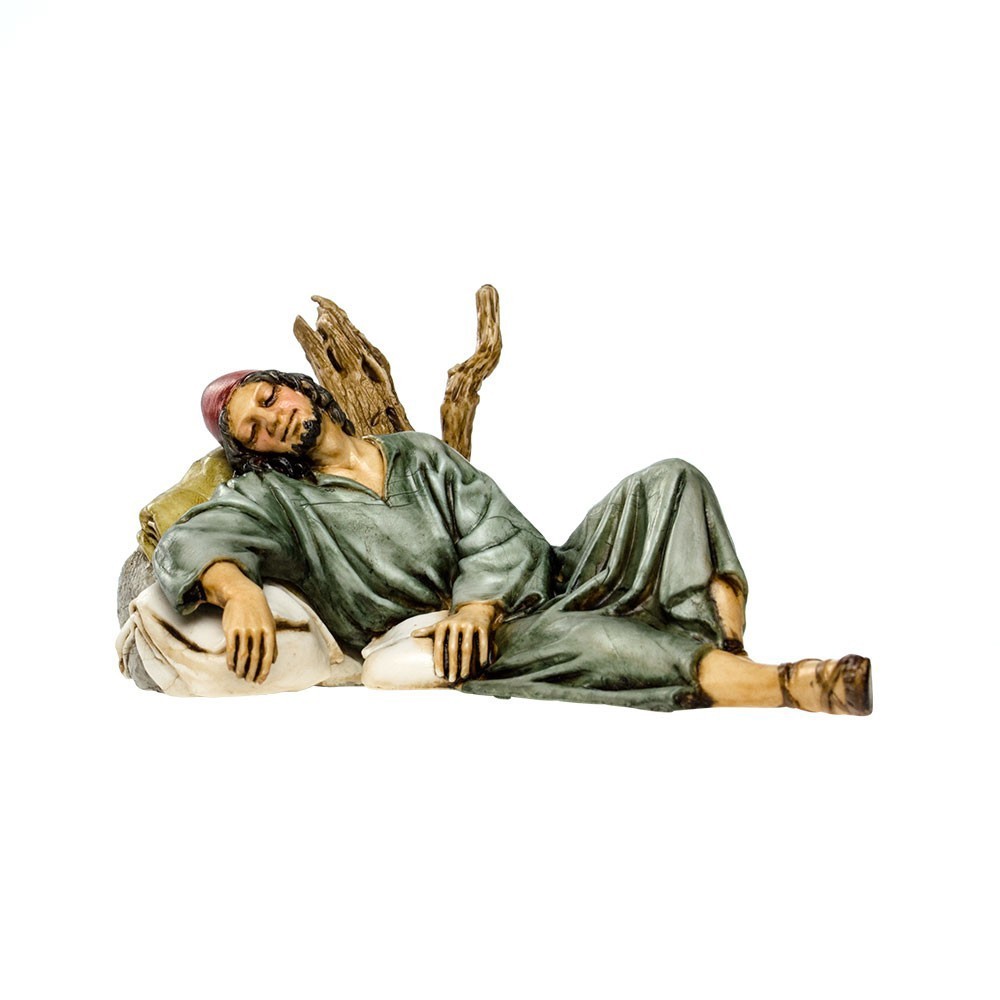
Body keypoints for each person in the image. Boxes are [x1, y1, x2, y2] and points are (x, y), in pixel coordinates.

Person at [152, 370, 872, 715]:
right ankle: (786, 685)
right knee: (593, 639)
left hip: (534, 581)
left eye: (269, 399)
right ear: (255, 452)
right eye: (252, 429)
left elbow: (496, 526)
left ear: (298, 388)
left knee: (672, 481)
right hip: (466, 634)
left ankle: (724, 643)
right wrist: (236, 589)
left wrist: (483, 599)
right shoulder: (275, 499)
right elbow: (191, 538)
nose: (271, 420)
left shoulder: (418, 452)